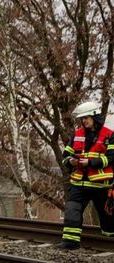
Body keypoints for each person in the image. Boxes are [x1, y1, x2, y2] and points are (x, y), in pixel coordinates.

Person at [59, 101, 114, 250]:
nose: (84, 121)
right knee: (71, 211)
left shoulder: (109, 135)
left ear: (95, 116)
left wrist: (89, 163)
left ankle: (109, 241)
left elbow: (111, 158)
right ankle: (70, 243)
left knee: (108, 220)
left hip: (101, 185)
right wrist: (70, 161)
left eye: (86, 118)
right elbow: (65, 156)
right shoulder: (77, 134)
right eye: (82, 119)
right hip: (78, 184)